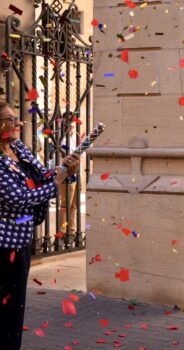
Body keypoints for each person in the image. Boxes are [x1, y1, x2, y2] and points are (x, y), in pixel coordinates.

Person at [0, 101, 80, 349]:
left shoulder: (18, 148)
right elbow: (19, 197)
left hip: (20, 242)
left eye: (16, 118)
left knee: (15, 308)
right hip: (3, 246)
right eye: (9, 119)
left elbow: (41, 176)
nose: (17, 123)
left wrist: (66, 170)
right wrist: (56, 182)